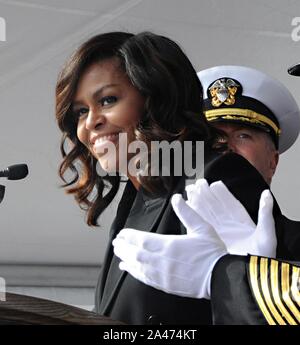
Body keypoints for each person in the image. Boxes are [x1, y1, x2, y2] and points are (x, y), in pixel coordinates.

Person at [55, 31, 228, 325]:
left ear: (156, 98)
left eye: (108, 100)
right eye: (81, 111)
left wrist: (227, 277)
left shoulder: (213, 176)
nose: (90, 122)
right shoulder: (135, 197)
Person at [112, 66, 300, 324]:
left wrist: (236, 279)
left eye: (243, 136)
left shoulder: (295, 244)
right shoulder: (153, 237)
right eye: (213, 139)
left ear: (273, 162)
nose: (227, 147)